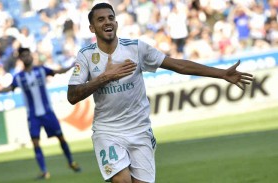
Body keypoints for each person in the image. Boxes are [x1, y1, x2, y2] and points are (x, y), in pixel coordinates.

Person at [67, 3, 253, 183]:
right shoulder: (86, 56)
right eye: (101, 20)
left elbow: (178, 65)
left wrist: (221, 73)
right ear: (92, 28)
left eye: (111, 18)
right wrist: (105, 77)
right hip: (108, 131)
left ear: (116, 23)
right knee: (121, 180)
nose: (107, 22)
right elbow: (72, 96)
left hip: (140, 130)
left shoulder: (136, 48)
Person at [0, 47, 81, 180]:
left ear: (31, 56)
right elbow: (9, 88)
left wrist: (70, 66)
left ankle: (71, 162)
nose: (26, 57)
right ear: (20, 59)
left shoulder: (41, 70)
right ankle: (44, 171)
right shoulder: (18, 77)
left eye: (27, 55)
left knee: (61, 138)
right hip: (33, 115)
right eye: (23, 56)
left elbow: (58, 71)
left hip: (48, 112)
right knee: (35, 143)